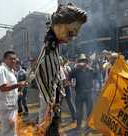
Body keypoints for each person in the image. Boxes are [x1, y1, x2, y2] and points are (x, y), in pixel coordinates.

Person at [32, 3, 87, 134]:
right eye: (70, 33)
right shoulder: (49, 50)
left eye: (74, 35)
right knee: (47, 129)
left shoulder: (54, 44)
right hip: (50, 105)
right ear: (58, 25)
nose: (72, 38)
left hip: (53, 102)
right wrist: (51, 101)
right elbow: (40, 71)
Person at [0, 51, 28, 136]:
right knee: (8, 132)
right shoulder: (1, 70)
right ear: (5, 60)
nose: (13, 61)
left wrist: (17, 93)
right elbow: (3, 88)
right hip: (6, 108)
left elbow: (9, 88)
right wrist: (19, 84)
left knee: (11, 131)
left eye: (15, 59)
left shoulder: (9, 71)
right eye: (11, 59)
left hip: (11, 106)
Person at [69, 54, 95, 130]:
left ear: (86, 62)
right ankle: (78, 125)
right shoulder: (76, 70)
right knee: (79, 110)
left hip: (88, 93)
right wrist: (70, 83)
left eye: (83, 61)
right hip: (79, 93)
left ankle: (89, 125)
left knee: (89, 110)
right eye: (81, 61)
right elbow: (69, 76)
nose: (82, 63)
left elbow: (96, 76)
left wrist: (95, 87)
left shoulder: (90, 70)